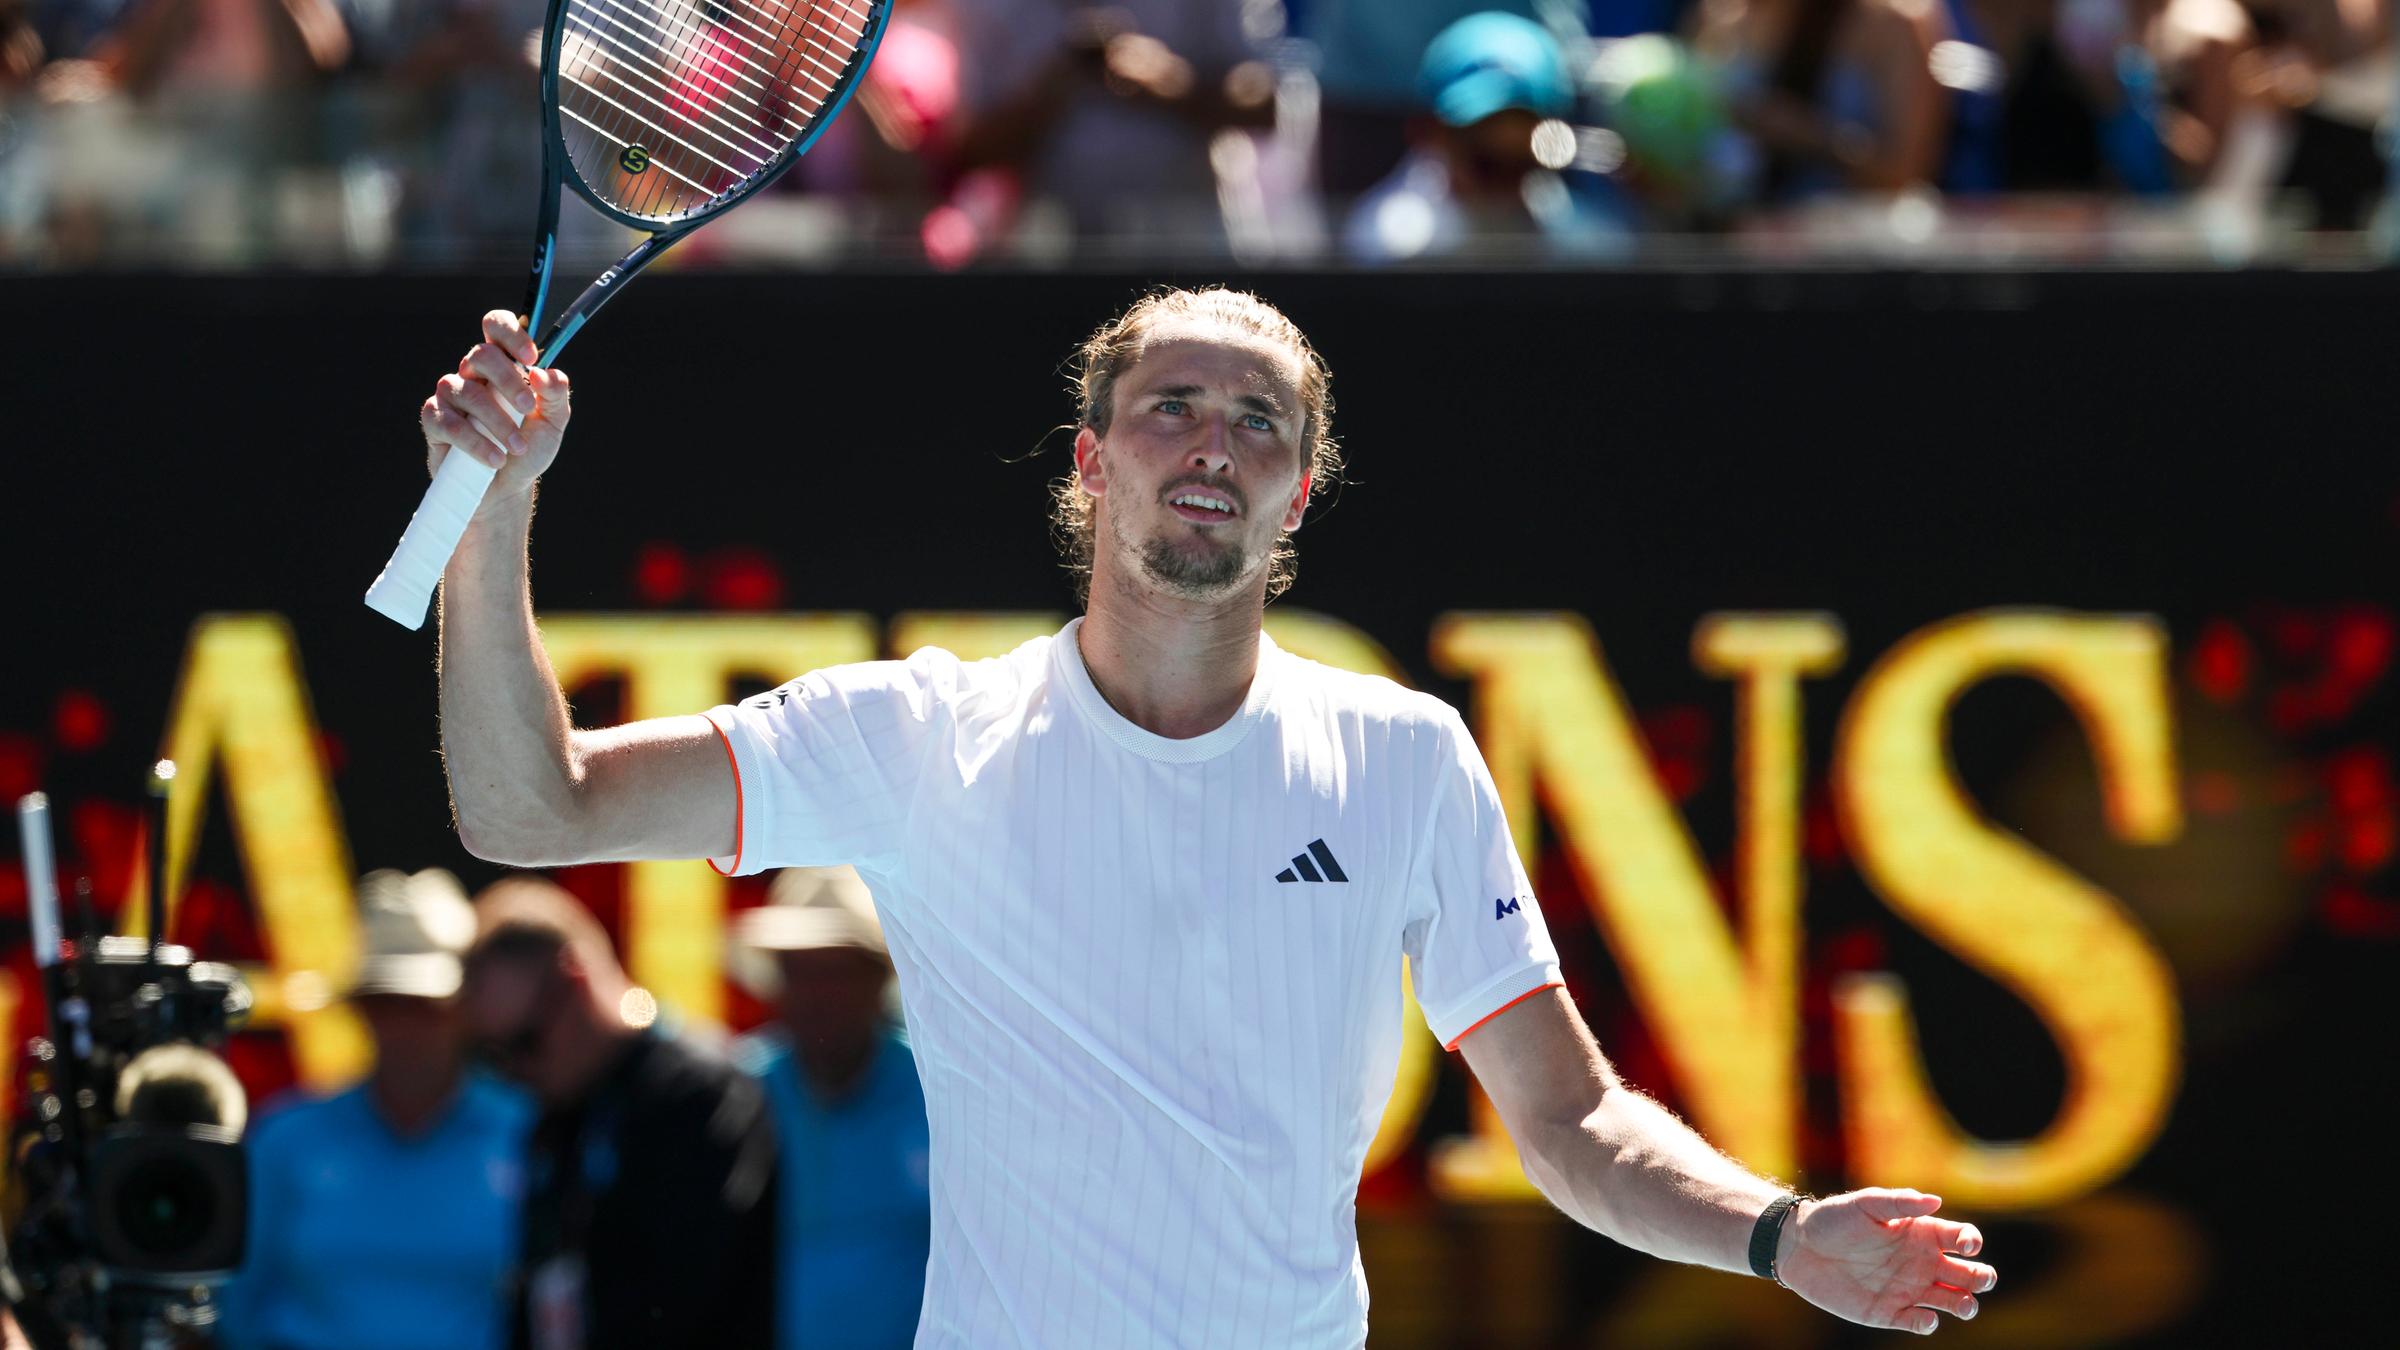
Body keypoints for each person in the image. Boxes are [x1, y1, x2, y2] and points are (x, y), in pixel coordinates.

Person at [424, 286, 2000, 1346]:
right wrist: (491, 523)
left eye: (1261, 424)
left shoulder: (1406, 758)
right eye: (1173, 406)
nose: (1214, 443)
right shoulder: (912, 732)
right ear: (1094, 464)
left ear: (1297, 496)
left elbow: (1570, 1122)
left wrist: (1777, 1230)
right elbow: (526, 803)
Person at [459, 876, 777, 1350]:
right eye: (492, 1056)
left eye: (524, 1044)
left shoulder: (702, 1098)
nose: (514, 1074)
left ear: (577, 982)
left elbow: (681, 1304)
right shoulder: (559, 1111)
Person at [220, 868, 530, 1350]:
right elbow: (236, 1310)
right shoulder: (283, 1140)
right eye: (387, 1003)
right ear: (362, 1011)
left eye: (426, 1006)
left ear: (465, 1011)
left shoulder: (526, 1134)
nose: (405, 1028)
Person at [731, 866, 932, 1350]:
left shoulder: (936, 1095)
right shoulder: (739, 1097)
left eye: (837, 972)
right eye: (802, 972)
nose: (819, 995)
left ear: (876, 980)